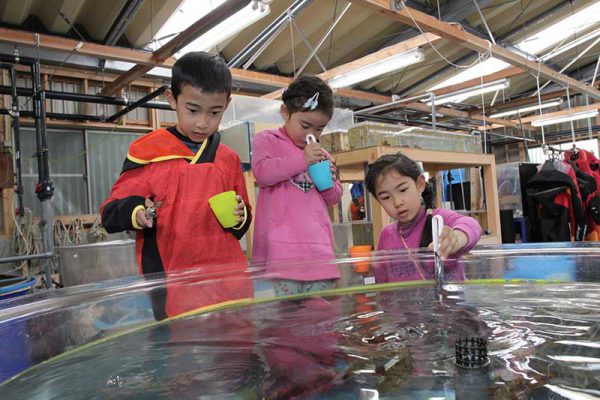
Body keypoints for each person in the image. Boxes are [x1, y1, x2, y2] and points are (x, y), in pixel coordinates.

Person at [100, 52, 253, 319]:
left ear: (226, 105)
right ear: (172, 100)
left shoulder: (228, 158)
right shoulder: (148, 152)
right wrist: (137, 212)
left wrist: (241, 215)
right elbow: (110, 213)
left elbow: (242, 222)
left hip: (227, 279)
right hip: (172, 280)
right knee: (181, 351)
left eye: (214, 112)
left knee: (236, 349)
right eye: (193, 110)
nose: (203, 122)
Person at [251, 76, 343, 295]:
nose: (312, 134)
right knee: (283, 324)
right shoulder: (267, 140)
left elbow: (333, 198)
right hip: (280, 259)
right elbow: (263, 173)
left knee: (321, 322)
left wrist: (328, 180)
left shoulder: (322, 154)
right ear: (285, 112)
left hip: (320, 257)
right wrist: (303, 160)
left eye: (319, 129)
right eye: (305, 125)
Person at [365, 153, 481, 279]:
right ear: (378, 200)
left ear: (420, 184)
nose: (397, 202)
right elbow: (383, 282)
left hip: (445, 298)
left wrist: (458, 238)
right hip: (404, 299)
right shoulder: (386, 235)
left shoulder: (438, 220)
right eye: (385, 197)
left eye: (403, 190)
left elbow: (472, 225)